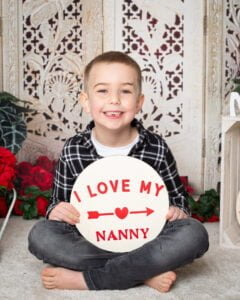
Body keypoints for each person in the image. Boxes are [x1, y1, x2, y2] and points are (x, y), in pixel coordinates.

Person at [28, 51, 209, 293]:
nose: (114, 99)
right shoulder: (73, 149)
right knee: (41, 236)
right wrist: (58, 210)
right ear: (85, 101)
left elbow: (178, 201)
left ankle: (90, 280)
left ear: (139, 102)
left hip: (149, 239)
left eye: (125, 91)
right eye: (102, 91)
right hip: (92, 240)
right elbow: (57, 204)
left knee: (194, 234)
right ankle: (144, 273)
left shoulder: (155, 147)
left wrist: (177, 211)